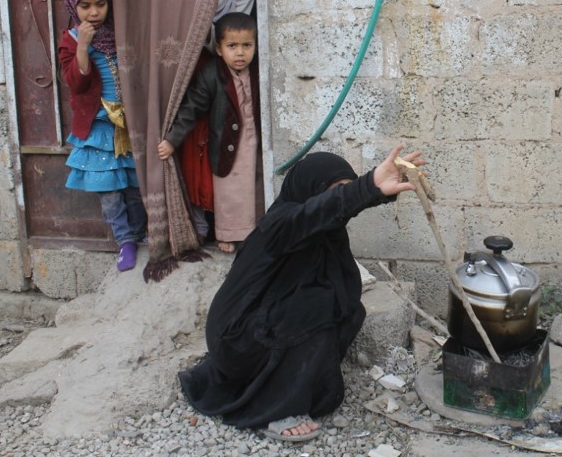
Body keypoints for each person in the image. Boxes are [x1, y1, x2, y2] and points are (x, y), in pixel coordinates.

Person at [177, 144, 426, 441]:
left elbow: (332, 210)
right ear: (309, 189)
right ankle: (278, 409)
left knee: (343, 307)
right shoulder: (281, 224)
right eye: (334, 190)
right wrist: (367, 186)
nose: (339, 199)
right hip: (234, 340)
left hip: (261, 324)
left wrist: (372, 193)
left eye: (345, 188)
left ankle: (300, 381)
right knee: (315, 307)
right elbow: (316, 212)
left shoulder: (325, 231)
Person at [59, 0, 147, 272]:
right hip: (99, 127)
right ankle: (125, 241)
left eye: (101, 4)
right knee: (108, 191)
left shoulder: (121, 32)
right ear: (73, 6)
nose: (94, 12)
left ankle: (140, 234)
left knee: (134, 186)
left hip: (129, 123)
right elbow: (76, 83)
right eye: (85, 6)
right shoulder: (71, 40)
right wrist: (83, 46)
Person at [177, 0, 257, 248]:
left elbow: (225, 40)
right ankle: (197, 222)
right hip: (191, 75)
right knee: (194, 151)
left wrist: (207, 35)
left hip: (220, 78)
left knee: (226, 150)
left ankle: (227, 225)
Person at [158, 12, 261, 253]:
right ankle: (228, 233)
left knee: (254, 189)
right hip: (226, 143)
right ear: (218, 49)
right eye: (232, 46)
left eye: (247, 46)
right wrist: (172, 140)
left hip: (254, 142)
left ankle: (255, 231)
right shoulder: (212, 73)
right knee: (229, 190)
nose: (240, 53)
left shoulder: (258, 70)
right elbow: (192, 108)